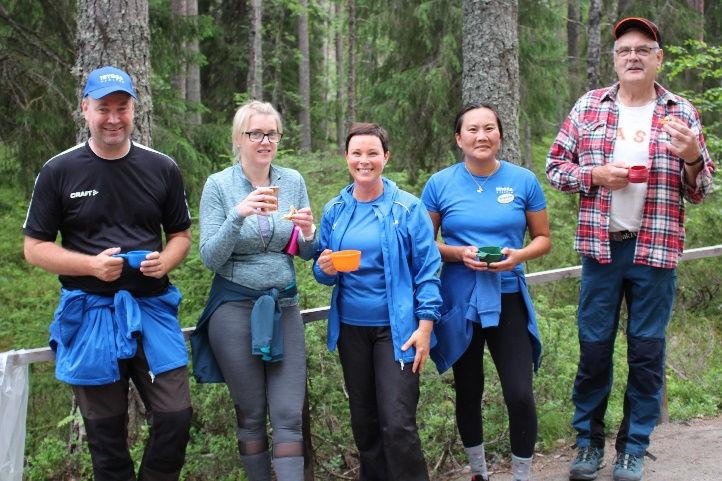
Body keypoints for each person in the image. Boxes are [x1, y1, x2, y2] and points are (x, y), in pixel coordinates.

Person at [546, 17, 715, 481]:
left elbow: (702, 188)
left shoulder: (681, 111)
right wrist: (594, 176)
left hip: (655, 251)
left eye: (644, 49)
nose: (634, 57)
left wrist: (693, 157)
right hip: (602, 251)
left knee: (646, 354)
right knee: (594, 350)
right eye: (625, 51)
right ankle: (587, 443)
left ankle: (634, 447)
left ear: (659, 58)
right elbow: (556, 167)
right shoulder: (589, 106)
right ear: (615, 60)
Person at [23, 66, 193, 481]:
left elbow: (181, 235)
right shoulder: (59, 171)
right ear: (85, 109)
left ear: (134, 108)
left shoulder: (161, 167)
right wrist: (92, 266)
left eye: (122, 107)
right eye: (103, 108)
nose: (113, 118)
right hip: (89, 313)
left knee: (175, 418)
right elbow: (35, 248)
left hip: (151, 309)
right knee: (106, 441)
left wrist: (165, 261)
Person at [423, 103, 551, 481]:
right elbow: (425, 245)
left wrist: (519, 256)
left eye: (489, 128)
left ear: (499, 134)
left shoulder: (523, 180)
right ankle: (479, 472)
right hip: (459, 298)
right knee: (468, 390)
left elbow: (544, 239)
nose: (482, 136)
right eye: (473, 130)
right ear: (459, 138)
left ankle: (521, 475)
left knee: (519, 393)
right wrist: (459, 253)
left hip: (507, 294)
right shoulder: (440, 184)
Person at [191, 100, 317, 481]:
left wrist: (309, 234)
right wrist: (238, 214)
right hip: (233, 309)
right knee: (249, 412)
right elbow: (210, 257)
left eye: (272, 133)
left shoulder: (292, 180)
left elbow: (305, 252)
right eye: (256, 133)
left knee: (288, 414)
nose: (265, 141)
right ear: (239, 138)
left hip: (284, 305)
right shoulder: (219, 185)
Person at [313, 123, 441, 481]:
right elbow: (323, 270)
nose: (364, 160)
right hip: (351, 330)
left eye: (372, 153)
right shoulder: (336, 209)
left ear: (386, 157)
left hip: (398, 332)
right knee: (365, 424)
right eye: (357, 153)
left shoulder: (407, 208)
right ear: (347, 158)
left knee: (397, 424)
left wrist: (426, 327)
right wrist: (324, 268)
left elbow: (428, 271)